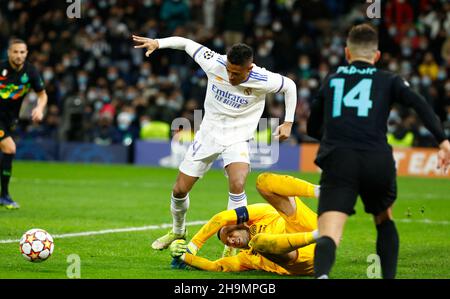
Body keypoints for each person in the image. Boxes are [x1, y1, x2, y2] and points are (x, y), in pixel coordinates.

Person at [307, 24, 450, 279]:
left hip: (340, 159)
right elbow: (419, 104)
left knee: (330, 232)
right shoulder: (389, 79)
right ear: (377, 56)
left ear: (347, 53)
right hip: (377, 158)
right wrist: (442, 140)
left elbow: (311, 126)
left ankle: (322, 276)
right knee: (384, 219)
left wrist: (334, 139)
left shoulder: (332, 80)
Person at [132, 35, 297, 256]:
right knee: (179, 190)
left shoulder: (263, 78)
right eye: (229, 70)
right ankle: (178, 231)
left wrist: (288, 122)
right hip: (207, 134)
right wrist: (158, 43)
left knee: (237, 183)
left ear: (249, 68)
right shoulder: (214, 62)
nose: (230, 76)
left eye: (236, 73)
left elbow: (291, 87)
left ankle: (231, 243)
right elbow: (186, 44)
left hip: (238, 136)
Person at [169, 173, 320, 275]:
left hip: (305, 225)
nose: (231, 241)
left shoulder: (262, 213)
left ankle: (320, 191)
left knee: (263, 181)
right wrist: (183, 257)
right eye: (228, 243)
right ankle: (319, 236)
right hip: (303, 258)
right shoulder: (246, 258)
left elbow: (222, 217)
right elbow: (217, 266)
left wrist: (194, 245)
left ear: (243, 225)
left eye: (229, 234)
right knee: (259, 242)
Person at [0, 38, 48, 209]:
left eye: (22, 52)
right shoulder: (1, 68)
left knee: (8, 150)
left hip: (10, 119)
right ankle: (4, 195)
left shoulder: (31, 71)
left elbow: (42, 94)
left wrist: (40, 108)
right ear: (9, 53)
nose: (19, 55)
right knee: (9, 148)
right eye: (15, 52)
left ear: (26, 53)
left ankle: (4, 195)